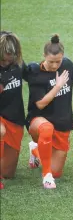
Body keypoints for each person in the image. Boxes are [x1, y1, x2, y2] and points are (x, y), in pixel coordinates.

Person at [25, 34, 73, 189]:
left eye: (58, 61)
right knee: (47, 129)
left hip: (62, 122)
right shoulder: (36, 72)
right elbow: (40, 104)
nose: (55, 65)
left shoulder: (67, 65)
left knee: (57, 172)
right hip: (39, 120)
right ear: (44, 56)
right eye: (51, 61)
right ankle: (46, 176)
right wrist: (58, 86)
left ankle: (35, 150)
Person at [0, 31, 25, 189]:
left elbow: (41, 73)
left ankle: (35, 151)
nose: (8, 58)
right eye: (5, 54)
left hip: (15, 119)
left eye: (11, 54)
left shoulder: (18, 66)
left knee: (8, 173)